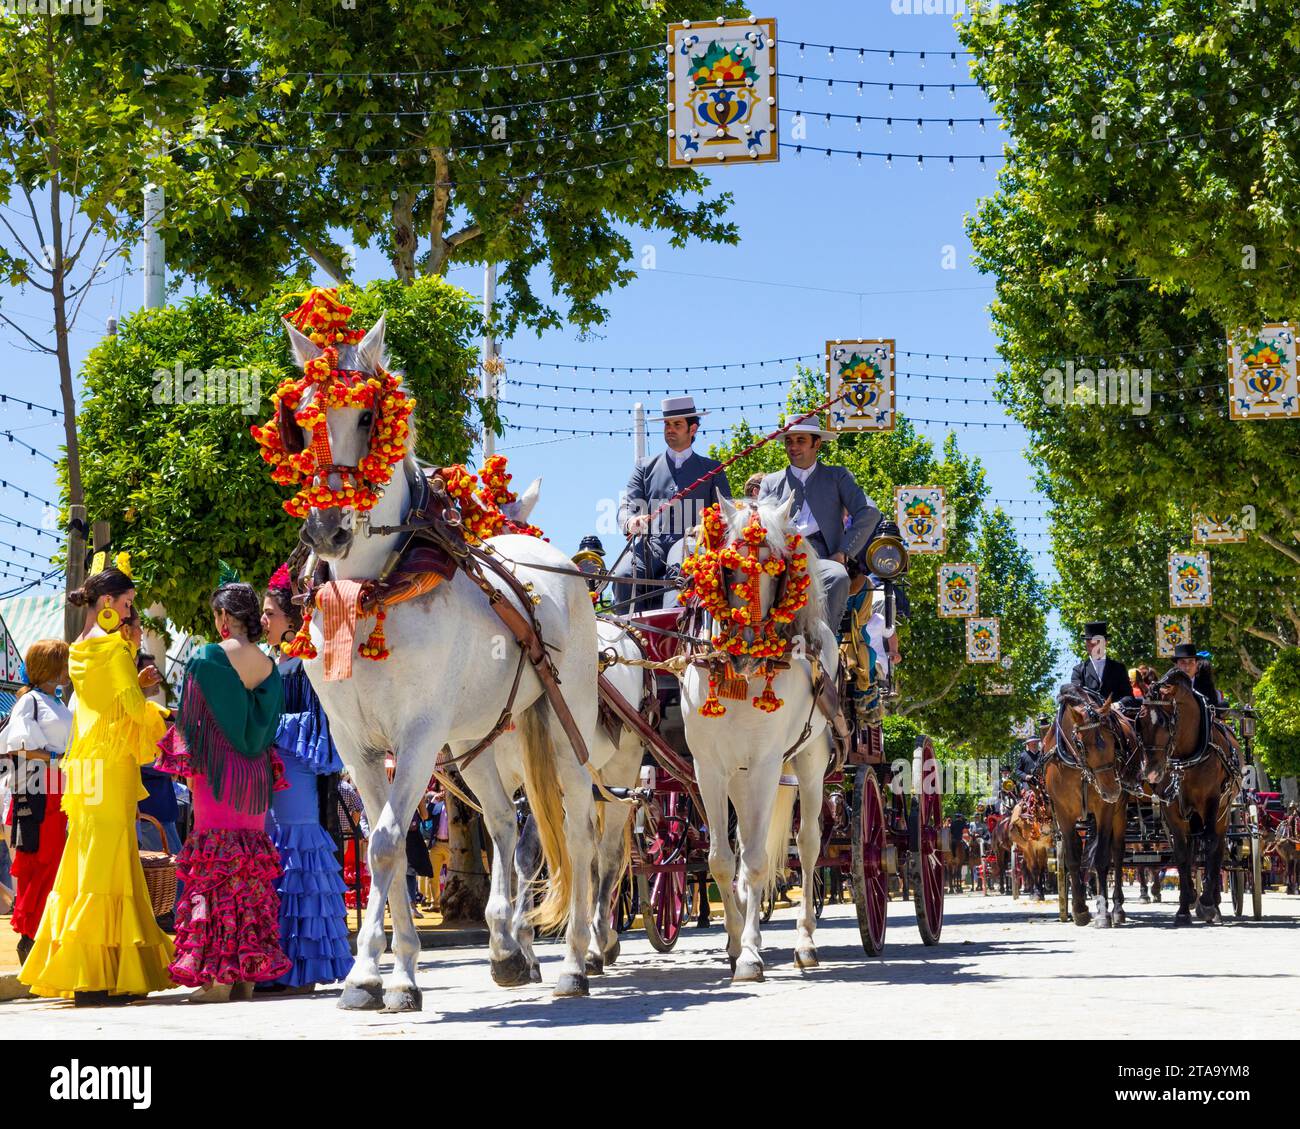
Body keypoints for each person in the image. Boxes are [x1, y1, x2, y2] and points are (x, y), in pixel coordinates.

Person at [19, 561, 176, 1004]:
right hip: (107, 767)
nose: (129, 614)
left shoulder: (78, 649)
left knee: (85, 862)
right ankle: (95, 977)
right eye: (126, 604)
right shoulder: (111, 649)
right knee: (107, 866)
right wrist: (163, 714)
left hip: (84, 765)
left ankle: (92, 971)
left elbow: (106, 704)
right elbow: (131, 714)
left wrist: (132, 675)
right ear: (107, 602)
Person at [157, 581, 290, 1002]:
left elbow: (190, 724)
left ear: (224, 617)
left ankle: (218, 978)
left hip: (216, 777)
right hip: (252, 779)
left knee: (215, 868)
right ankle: (247, 974)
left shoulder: (207, 657)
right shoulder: (269, 667)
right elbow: (267, 728)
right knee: (248, 870)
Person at [260, 565, 352, 992]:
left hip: (296, 771)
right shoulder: (274, 661)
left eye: (269, 613)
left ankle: (303, 966)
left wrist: (273, 729)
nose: (263, 621)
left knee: (297, 853)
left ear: (291, 618)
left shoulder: (307, 659)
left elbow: (319, 725)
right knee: (278, 856)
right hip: (270, 773)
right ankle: (276, 962)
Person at [756, 418, 881, 635]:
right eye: (789, 441)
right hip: (781, 562)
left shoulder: (837, 476)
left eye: (801, 440)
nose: (793, 447)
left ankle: (825, 646)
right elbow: (760, 528)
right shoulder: (770, 482)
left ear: (817, 444)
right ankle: (756, 641)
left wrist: (844, 552)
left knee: (838, 576)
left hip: (823, 559)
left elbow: (868, 512)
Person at [613, 395, 731, 612]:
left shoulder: (713, 469)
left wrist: (707, 527)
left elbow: (727, 515)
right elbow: (627, 506)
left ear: (692, 429)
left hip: (692, 543)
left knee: (681, 578)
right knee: (622, 575)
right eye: (667, 424)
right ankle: (629, 638)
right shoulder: (644, 467)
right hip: (652, 543)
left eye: (677, 424)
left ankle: (676, 638)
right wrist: (631, 521)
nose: (670, 429)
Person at [4, 639, 72, 965]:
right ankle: (30, 941)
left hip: (59, 789)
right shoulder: (29, 701)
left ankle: (40, 941)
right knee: (41, 865)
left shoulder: (54, 701)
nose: (69, 668)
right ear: (52, 665)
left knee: (55, 865)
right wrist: (58, 757)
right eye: (65, 661)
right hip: (39, 790)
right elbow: (17, 746)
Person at [1069, 621, 1134, 703]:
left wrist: (1118, 705)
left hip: (1114, 712)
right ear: (1086, 644)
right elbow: (1075, 696)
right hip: (1089, 714)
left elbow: (1129, 696)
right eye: (1091, 644)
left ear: (1105, 643)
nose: (1095, 648)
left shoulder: (1119, 668)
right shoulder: (1078, 671)